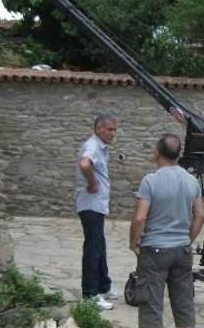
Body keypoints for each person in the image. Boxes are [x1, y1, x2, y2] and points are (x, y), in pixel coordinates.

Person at [129, 133, 204, 328]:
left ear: (157, 153)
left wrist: (134, 243)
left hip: (154, 249)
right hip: (181, 250)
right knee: (184, 306)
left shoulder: (150, 181)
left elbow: (140, 217)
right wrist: (187, 239)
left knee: (151, 308)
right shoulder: (191, 181)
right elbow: (200, 215)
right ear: (178, 155)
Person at [75, 112, 119, 311]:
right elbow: (85, 164)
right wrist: (92, 182)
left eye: (114, 129)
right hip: (90, 204)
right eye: (110, 129)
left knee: (99, 245)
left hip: (97, 205)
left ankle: (104, 286)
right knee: (93, 249)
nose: (113, 133)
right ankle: (90, 295)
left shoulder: (100, 147)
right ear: (98, 128)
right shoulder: (92, 146)